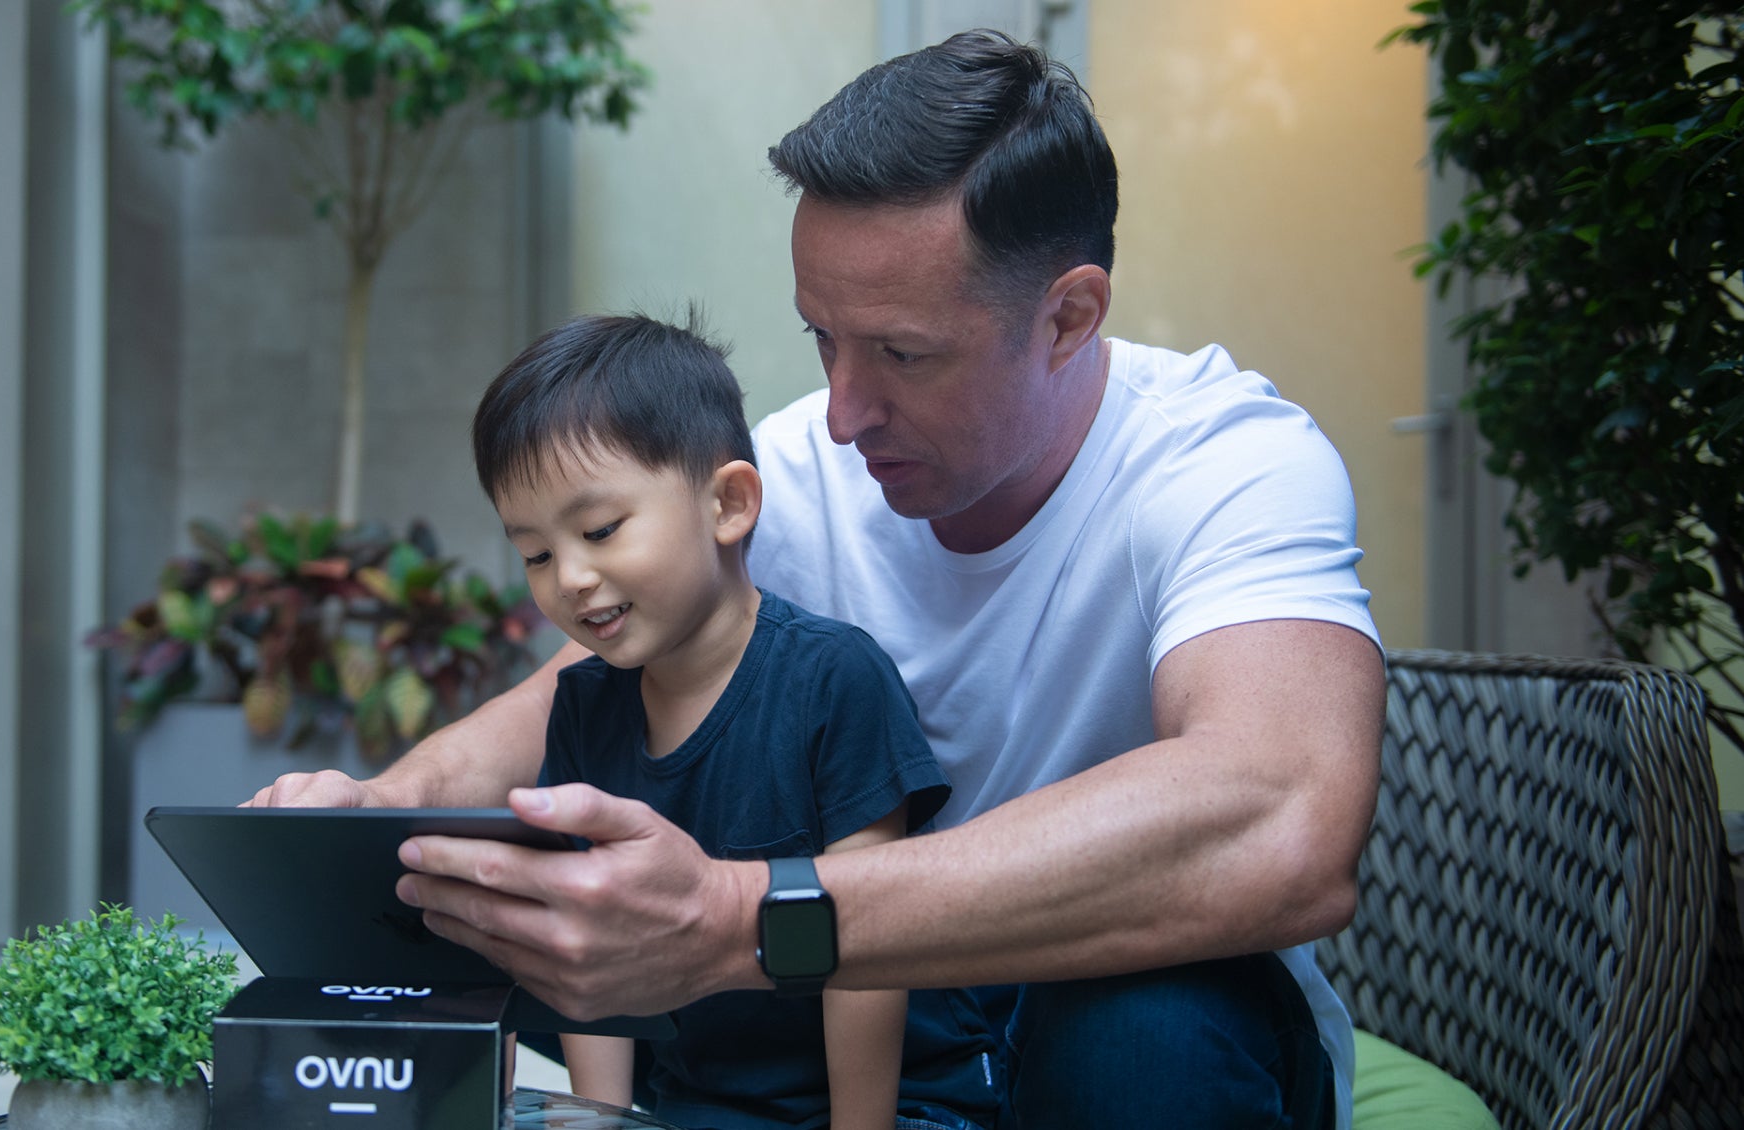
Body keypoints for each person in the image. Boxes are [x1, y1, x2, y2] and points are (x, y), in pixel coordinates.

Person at [252, 29, 1384, 1129]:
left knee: (1139, 1037)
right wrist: (380, 800)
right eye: (820, 341)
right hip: (867, 1025)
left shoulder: (1227, 462)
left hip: (1141, 1009)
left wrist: (743, 917)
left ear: (1069, 317)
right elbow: (570, 691)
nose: (843, 413)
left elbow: (1284, 816)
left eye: (901, 353)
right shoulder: (788, 472)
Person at [466, 312, 1000, 1130]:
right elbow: (593, 950)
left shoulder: (833, 680)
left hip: (900, 1105)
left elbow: (864, 942)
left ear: (729, 504)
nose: (570, 577)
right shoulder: (584, 707)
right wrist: (601, 1119)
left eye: (600, 530)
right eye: (535, 553)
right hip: (702, 1104)